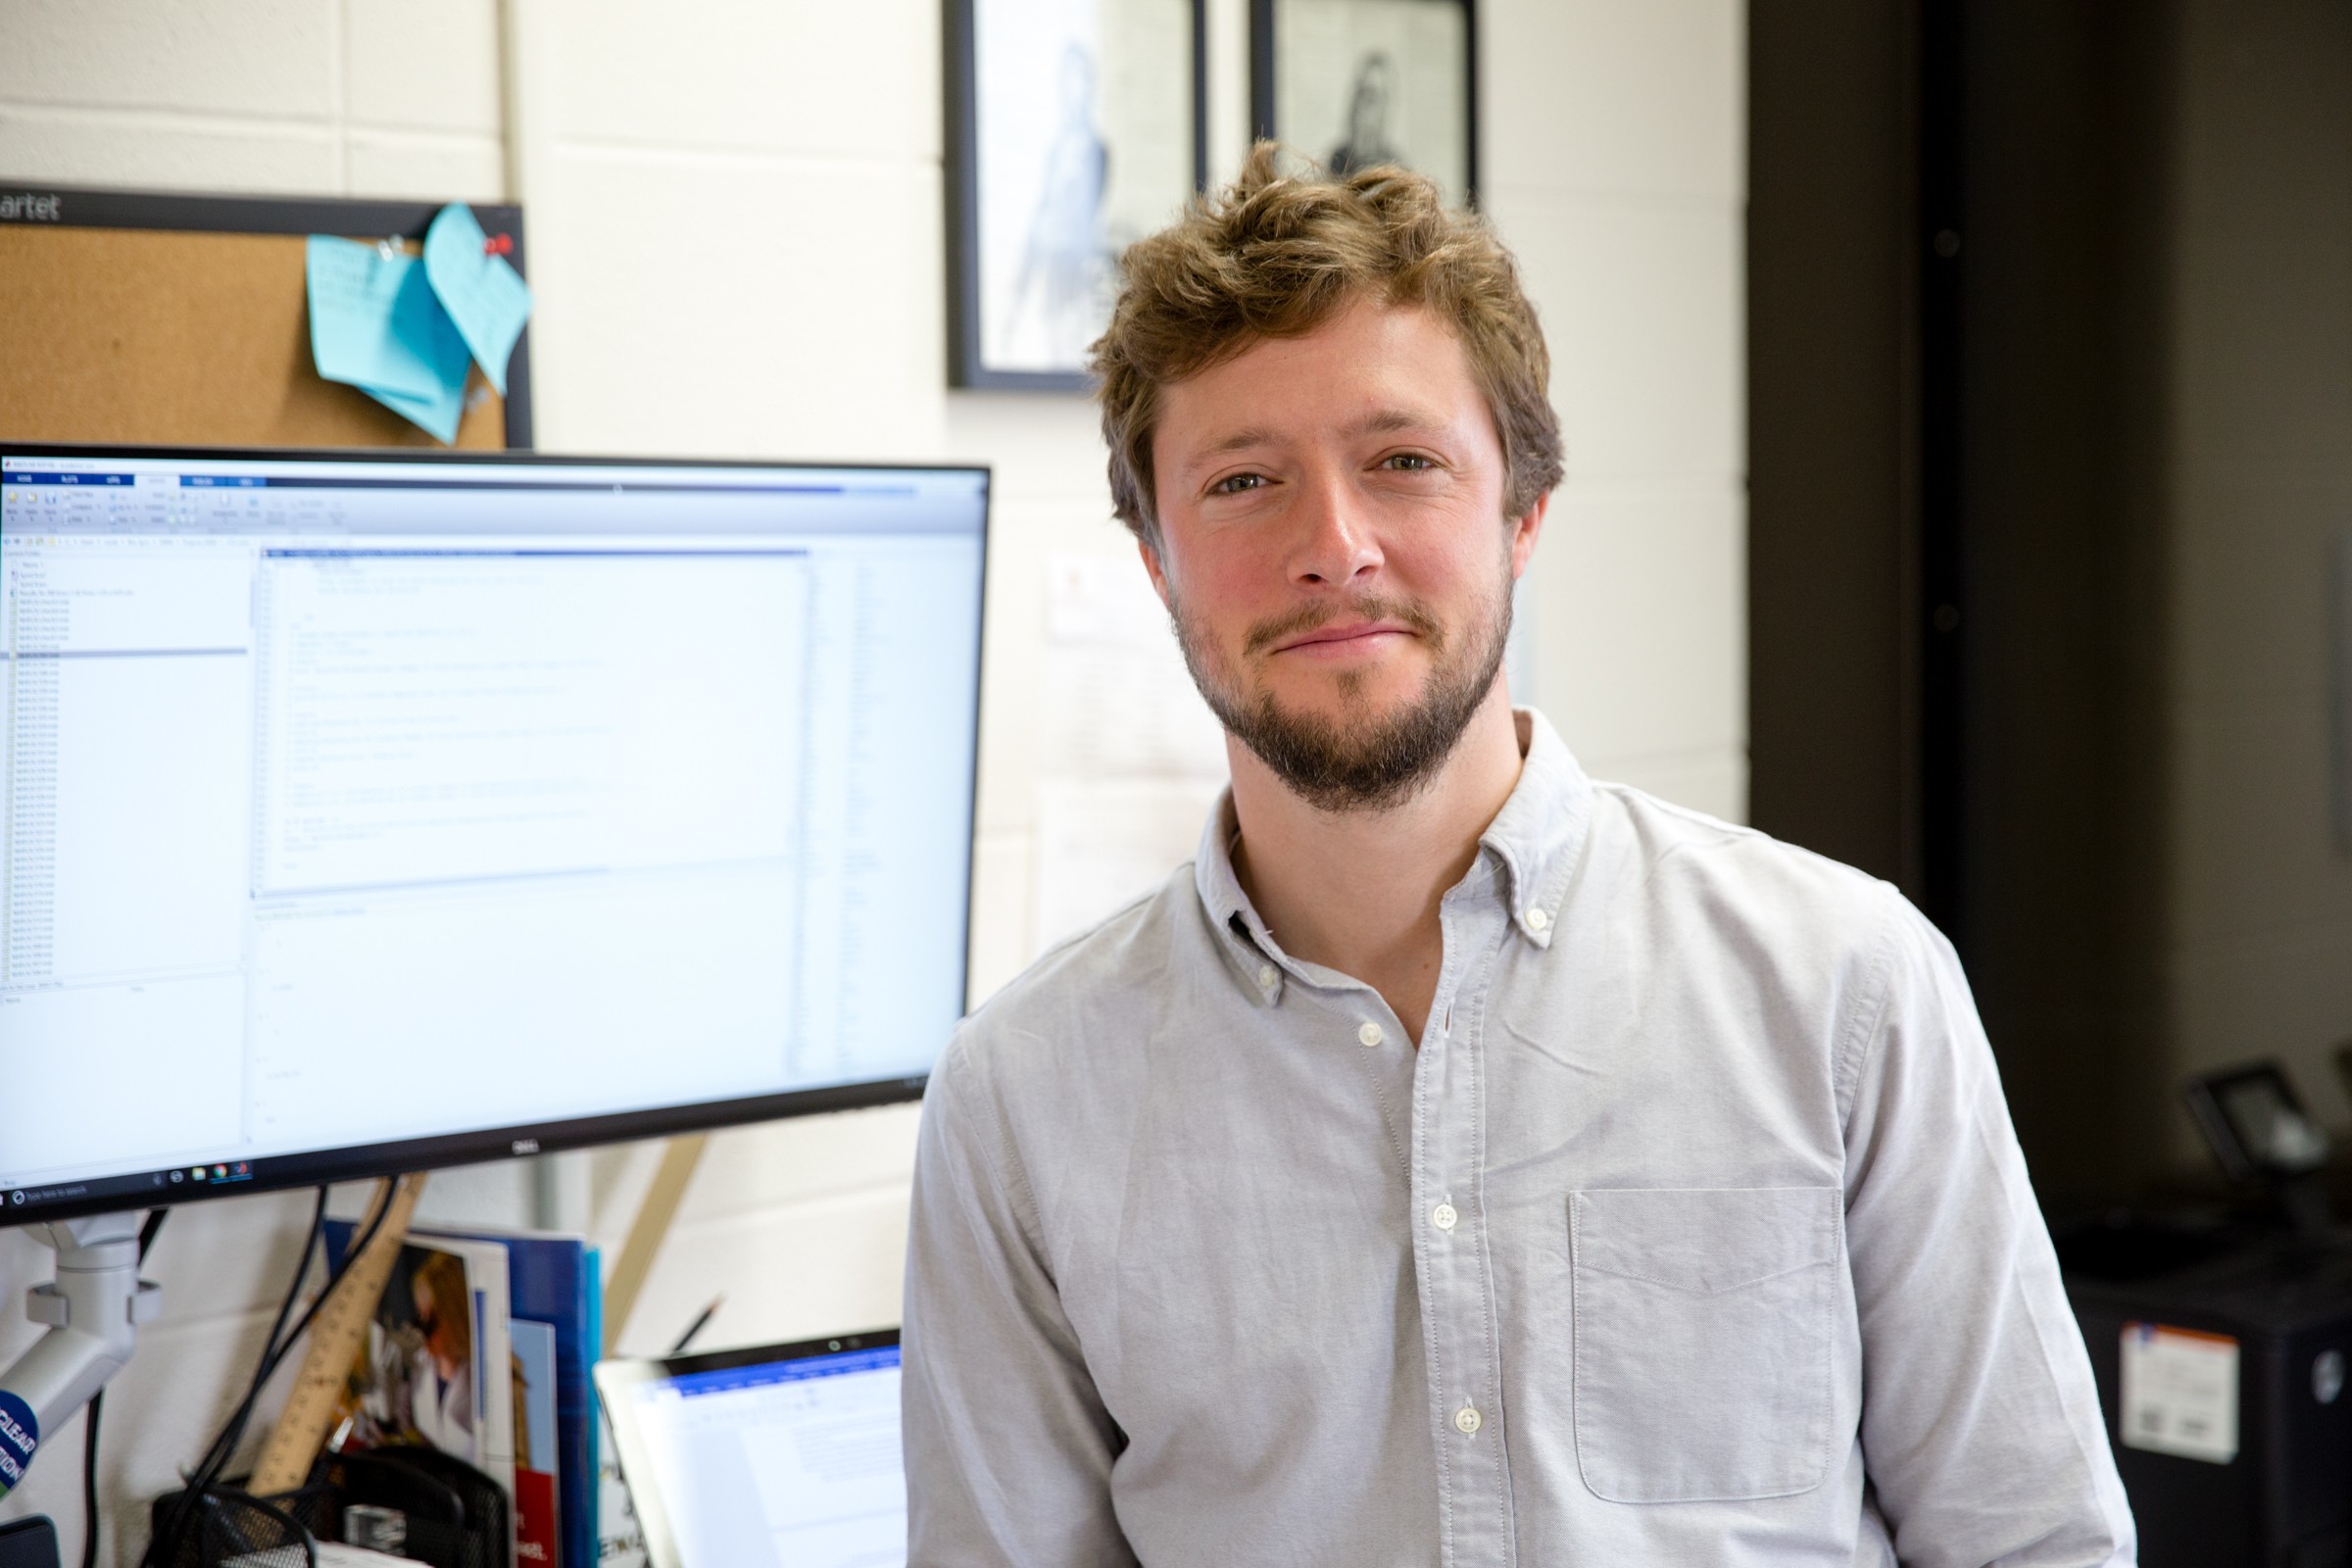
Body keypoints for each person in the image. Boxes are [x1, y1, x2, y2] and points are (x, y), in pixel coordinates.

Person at [902, 145, 2135, 1566]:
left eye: (1404, 462)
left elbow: (2034, 1542)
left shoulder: (1845, 990)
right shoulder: (1021, 1104)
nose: (1336, 546)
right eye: (1244, 481)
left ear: (1523, 514)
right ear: (1158, 560)